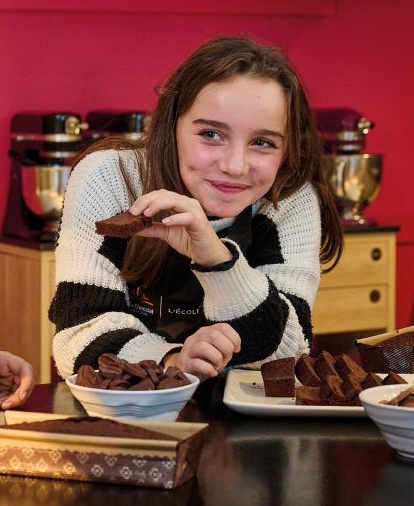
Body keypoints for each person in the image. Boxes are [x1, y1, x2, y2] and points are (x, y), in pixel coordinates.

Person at [49, 36, 343, 380]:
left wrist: (217, 259)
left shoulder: (287, 197)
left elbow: (289, 351)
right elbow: (79, 334)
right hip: (123, 409)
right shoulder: (111, 178)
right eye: (211, 134)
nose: (235, 166)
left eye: (262, 142)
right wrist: (171, 361)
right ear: (171, 125)